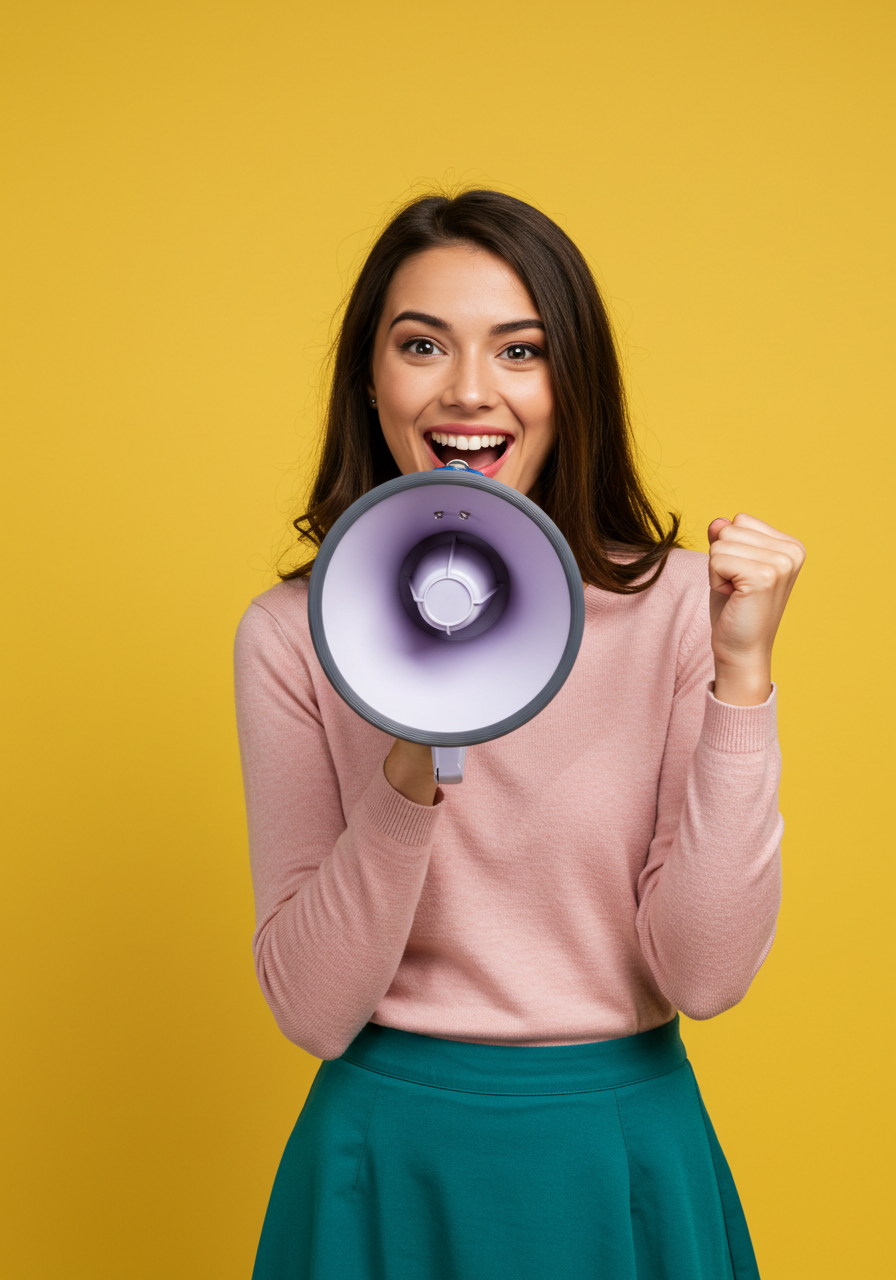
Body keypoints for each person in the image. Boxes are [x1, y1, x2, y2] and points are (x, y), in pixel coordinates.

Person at [234, 189, 805, 1279]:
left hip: (618, 1153)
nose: (466, 390)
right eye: (420, 345)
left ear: (569, 383)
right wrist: (411, 751)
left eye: (519, 350)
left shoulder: (685, 608)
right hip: (381, 1158)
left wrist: (741, 675)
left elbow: (705, 972)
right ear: (369, 376)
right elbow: (311, 1007)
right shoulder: (290, 635)